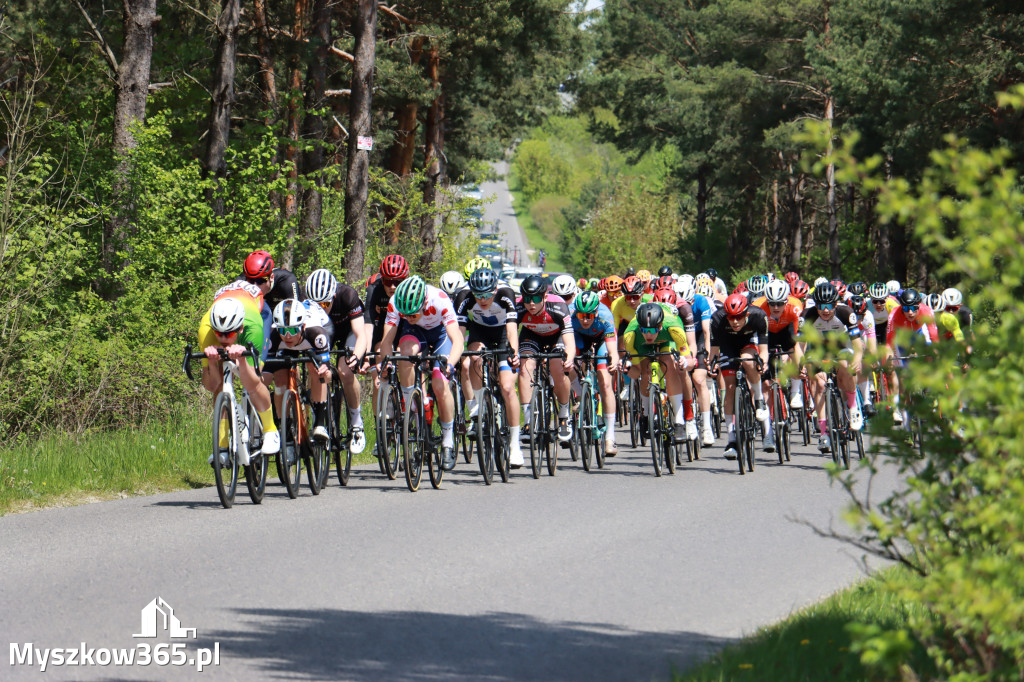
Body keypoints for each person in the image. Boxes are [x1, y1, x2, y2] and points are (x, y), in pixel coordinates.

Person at [377, 275, 465, 470]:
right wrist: (386, 362)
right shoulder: (395, 302)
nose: (408, 317)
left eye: (412, 314)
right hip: (415, 333)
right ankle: (411, 404)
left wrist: (449, 364)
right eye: (405, 314)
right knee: (404, 353)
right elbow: (387, 340)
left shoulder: (440, 299)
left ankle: (448, 442)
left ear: (424, 302)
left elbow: (457, 340)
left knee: (439, 383)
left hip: (441, 334)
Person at [198, 282, 280, 463]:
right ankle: (222, 445)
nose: (223, 339)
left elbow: (253, 381)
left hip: (256, 310)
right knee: (219, 386)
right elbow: (211, 385)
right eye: (219, 334)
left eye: (228, 335)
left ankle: (270, 429)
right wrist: (212, 363)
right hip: (225, 308)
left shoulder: (252, 328)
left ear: (240, 330)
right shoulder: (206, 331)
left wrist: (243, 360)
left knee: (253, 380)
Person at [456, 268, 524, 467]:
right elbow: (459, 332)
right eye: (478, 295)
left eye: (486, 294)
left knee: (508, 388)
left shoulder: (506, 294)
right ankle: (479, 407)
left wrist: (514, 353)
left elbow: (512, 329)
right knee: (473, 358)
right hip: (480, 331)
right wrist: (458, 354)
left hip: (503, 333)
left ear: (494, 290)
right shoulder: (464, 296)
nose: (482, 299)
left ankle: (514, 444)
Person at [305, 268, 369, 453]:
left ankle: (356, 422)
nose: (321, 308)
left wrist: (356, 356)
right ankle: (319, 414)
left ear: (333, 296)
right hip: (323, 332)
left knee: (345, 371)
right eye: (316, 304)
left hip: (347, 333)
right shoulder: (308, 304)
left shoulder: (348, 295)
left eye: (325, 303)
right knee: (315, 369)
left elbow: (360, 334)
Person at [801, 282, 865, 451]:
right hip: (818, 348)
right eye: (821, 305)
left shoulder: (846, 313)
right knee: (818, 383)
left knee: (846, 365)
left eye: (829, 305)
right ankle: (823, 433)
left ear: (836, 304)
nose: (825, 310)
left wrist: (857, 360)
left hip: (841, 346)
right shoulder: (807, 315)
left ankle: (853, 409)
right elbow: (800, 346)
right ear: (816, 305)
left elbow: (857, 345)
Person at [622, 302, 695, 441]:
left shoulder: (673, 327)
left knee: (669, 365)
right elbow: (636, 372)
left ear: (660, 326)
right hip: (640, 345)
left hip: (665, 342)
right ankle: (646, 414)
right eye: (645, 330)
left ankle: (679, 421)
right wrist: (627, 369)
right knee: (645, 372)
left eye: (653, 330)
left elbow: (690, 362)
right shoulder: (630, 335)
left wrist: (685, 362)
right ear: (639, 326)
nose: (649, 334)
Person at [709, 293, 771, 457]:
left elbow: (764, 351)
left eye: (739, 317)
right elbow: (714, 352)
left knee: (748, 360)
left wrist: (762, 363)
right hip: (727, 346)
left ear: (747, 314)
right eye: (731, 317)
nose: (735, 321)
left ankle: (758, 400)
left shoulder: (759, 316)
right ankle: (731, 439)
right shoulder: (717, 319)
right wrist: (712, 366)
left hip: (748, 343)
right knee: (730, 386)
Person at [517, 275, 576, 442]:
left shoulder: (558, 306)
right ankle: (528, 421)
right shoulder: (519, 306)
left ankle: (564, 416)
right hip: (531, 336)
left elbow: (569, 339)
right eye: (527, 299)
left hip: (556, 337)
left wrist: (570, 358)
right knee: (525, 367)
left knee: (558, 367)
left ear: (544, 296)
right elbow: (511, 332)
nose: (531, 304)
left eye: (536, 298)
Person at [264, 299, 333, 442]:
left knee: (318, 371)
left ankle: (320, 424)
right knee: (279, 378)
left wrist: (325, 371)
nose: (287, 336)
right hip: (287, 348)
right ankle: (285, 428)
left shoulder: (316, 333)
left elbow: (327, 371)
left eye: (293, 330)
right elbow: (266, 374)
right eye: (283, 330)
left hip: (312, 339)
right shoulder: (274, 335)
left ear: (302, 326)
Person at [570, 291, 620, 456]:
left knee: (605, 383)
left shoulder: (605, 316)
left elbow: (612, 346)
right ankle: (579, 395)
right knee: (570, 365)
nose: (584, 319)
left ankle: (610, 437)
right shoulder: (570, 315)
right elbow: (566, 343)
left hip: (601, 340)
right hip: (578, 337)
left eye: (589, 316)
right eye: (581, 315)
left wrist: (614, 359)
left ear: (596, 313)